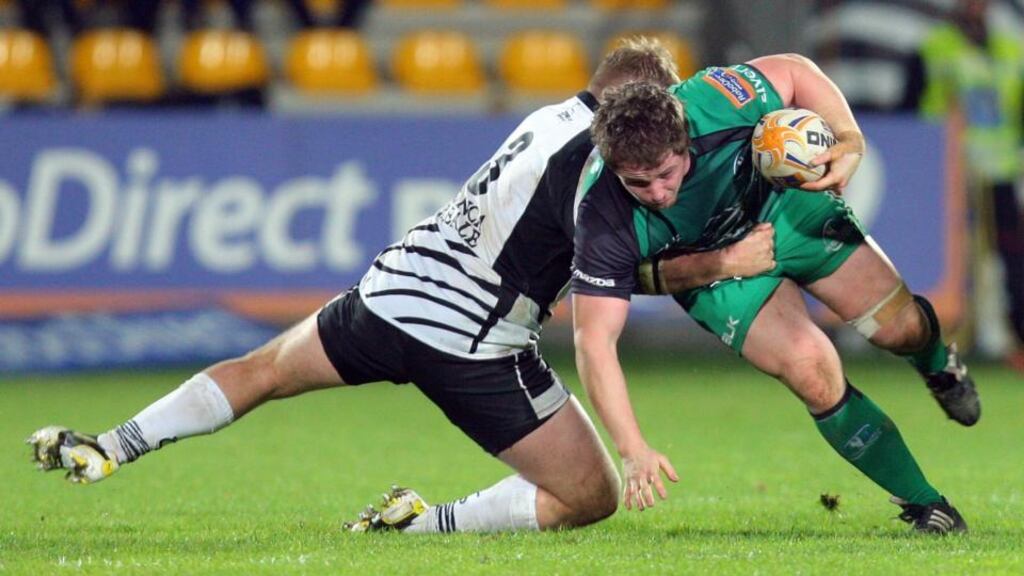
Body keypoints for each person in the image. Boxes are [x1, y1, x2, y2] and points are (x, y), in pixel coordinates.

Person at [27, 38, 775, 534]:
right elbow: (617, 279)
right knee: (592, 495)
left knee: (264, 371)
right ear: (635, 108)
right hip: (474, 340)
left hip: (393, 288)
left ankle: (112, 445)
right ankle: (424, 521)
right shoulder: (595, 169)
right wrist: (721, 263)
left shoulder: (549, 117)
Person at [571, 55, 980, 534]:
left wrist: (848, 138)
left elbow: (794, 70)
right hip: (712, 273)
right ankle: (927, 505)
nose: (658, 193)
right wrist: (632, 448)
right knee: (812, 368)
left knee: (900, 328)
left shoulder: (714, 101)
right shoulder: (600, 211)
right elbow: (593, 341)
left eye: (666, 173)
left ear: (683, 141)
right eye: (638, 183)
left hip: (783, 207)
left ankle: (936, 363)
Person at [905, 0, 1024, 372]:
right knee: (948, 261)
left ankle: (1014, 339)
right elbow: (910, 107)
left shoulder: (1011, 48)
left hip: (1000, 173)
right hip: (946, 175)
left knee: (1012, 261)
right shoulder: (934, 46)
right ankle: (940, 340)